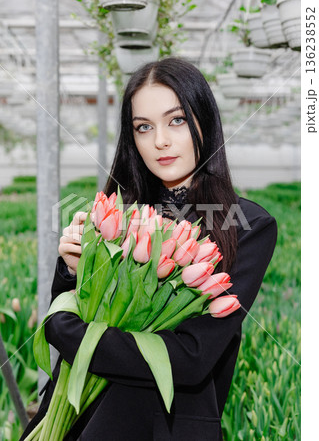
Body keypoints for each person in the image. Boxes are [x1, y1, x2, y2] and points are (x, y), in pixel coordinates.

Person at [21, 58, 277, 440]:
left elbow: (191, 359)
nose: (160, 141)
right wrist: (72, 272)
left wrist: (66, 329)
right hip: (76, 421)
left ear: (204, 120)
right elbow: (79, 309)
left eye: (176, 120)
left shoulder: (246, 225)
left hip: (165, 429)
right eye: (144, 127)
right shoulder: (115, 210)